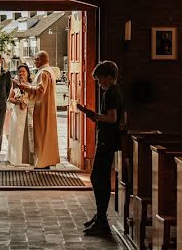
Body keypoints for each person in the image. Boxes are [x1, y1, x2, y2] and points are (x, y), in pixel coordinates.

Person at [77, 60, 125, 236]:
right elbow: (122, 118)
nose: (99, 83)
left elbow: (111, 118)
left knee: (98, 178)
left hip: (106, 141)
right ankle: (99, 216)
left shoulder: (110, 93)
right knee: (100, 178)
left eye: (99, 80)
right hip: (111, 139)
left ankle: (102, 220)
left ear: (108, 77)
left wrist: (90, 114)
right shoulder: (119, 91)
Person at [14, 50, 60, 169]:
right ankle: (44, 161)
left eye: (35, 59)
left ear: (40, 59)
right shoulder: (48, 71)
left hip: (42, 109)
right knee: (45, 136)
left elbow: (39, 91)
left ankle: (42, 163)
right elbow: (37, 88)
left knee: (41, 135)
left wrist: (22, 86)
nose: (34, 62)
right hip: (47, 108)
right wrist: (26, 85)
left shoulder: (43, 73)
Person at [6, 64, 35, 167]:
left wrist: (26, 101)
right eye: (19, 72)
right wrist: (18, 101)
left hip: (28, 112)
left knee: (26, 135)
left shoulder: (31, 85)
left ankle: (25, 158)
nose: (21, 73)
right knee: (17, 134)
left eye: (23, 71)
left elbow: (33, 98)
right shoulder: (15, 84)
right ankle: (15, 158)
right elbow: (10, 98)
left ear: (27, 73)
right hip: (17, 112)